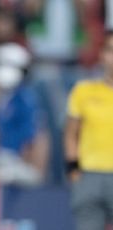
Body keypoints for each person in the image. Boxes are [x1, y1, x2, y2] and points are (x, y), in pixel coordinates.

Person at [64, 31, 113, 230]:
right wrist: (73, 170)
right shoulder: (83, 91)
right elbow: (70, 133)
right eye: (110, 50)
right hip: (89, 176)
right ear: (102, 55)